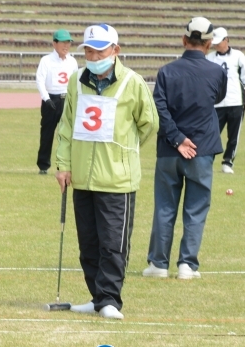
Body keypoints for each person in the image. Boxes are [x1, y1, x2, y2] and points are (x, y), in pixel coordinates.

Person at [55, 24, 158, 320]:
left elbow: (148, 123)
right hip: (83, 179)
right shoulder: (76, 81)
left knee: (113, 244)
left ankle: (111, 299)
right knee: (89, 243)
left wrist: (125, 149)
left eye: (99, 49)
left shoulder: (133, 83)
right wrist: (63, 165)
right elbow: (66, 128)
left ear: (115, 50)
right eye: (88, 50)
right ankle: (97, 297)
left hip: (117, 180)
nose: (93, 55)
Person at [143, 17, 227, 280]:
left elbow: (159, 108)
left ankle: (158, 263)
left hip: (169, 150)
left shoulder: (167, 71)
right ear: (210, 43)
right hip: (201, 149)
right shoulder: (217, 72)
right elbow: (218, 98)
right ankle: (187, 265)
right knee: (196, 207)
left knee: (164, 206)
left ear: (184, 39)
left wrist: (177, 138)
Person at [206, 27, 245, 174]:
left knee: (233, 136)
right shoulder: (210, 58)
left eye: (219, 42)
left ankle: (228, 162)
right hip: (216, 104)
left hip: (236, 102)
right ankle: (207, 161)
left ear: (226, 40)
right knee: (212, 134)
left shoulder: (238, 56)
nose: (216, 45)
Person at [35, 29, 79, 174]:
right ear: (54, 43)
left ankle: (68, 164)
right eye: (63, 43)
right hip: (51, 100)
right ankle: (43, 166)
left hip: (67, 99)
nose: (66, 46)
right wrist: (46, 98)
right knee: (47, 133)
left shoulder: (72, 61)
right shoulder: (46, 60)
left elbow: (74, 81)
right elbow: (40, 80)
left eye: (68, 43)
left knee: (69, 134)